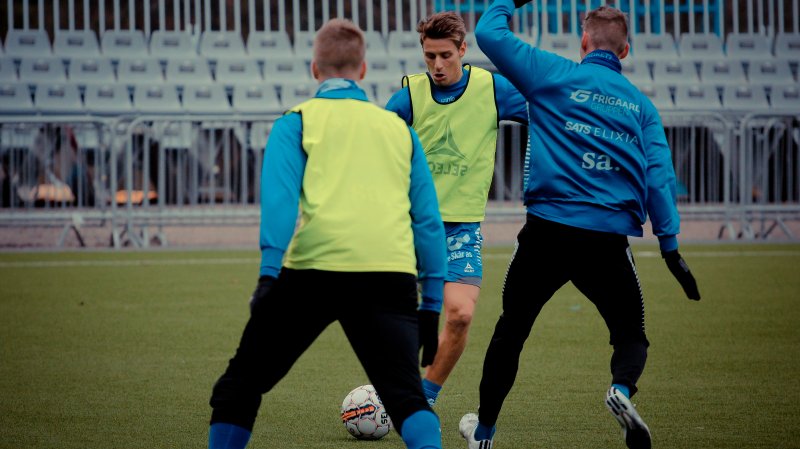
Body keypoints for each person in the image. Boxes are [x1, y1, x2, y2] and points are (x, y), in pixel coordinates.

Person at [457, 2, 702, 449]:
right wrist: (670, 247)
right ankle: (620, 390)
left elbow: (490, 34)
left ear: (583, 43)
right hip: (607, 240)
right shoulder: (641, 107)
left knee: (511, 331)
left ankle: (485, 434)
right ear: (625, 51)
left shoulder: (553, 73)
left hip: (546, 233)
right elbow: (659, 176)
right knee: (630, 335)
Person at [207, 18, 447, 449]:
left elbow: (280, 205)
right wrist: (431, 304)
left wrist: (267, 275)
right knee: (409, 401)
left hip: (314, 271)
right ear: (364, 69)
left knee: (238, 389)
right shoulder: (400, 130)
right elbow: (428, 221)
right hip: (388, 273)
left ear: (315, 70)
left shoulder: (296, 122)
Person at [385, 11, 527, 408]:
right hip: (409, 227)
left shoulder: (491, 89)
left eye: (446, 55)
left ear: (463, 50)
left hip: (462, 226)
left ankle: (423, 397)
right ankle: (395, 388)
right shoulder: (410, 96)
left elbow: (546, 111)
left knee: (461, 316)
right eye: (429, 56)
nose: (437, 65)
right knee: (391, 318)